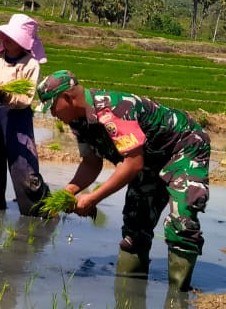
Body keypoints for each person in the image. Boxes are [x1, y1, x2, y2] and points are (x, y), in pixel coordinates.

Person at [36, 70, 210, 291]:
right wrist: (70, 190)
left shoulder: (113, 110)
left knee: (182, 220)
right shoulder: (79, 121)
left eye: (52, 106)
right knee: (135, 226)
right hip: (148, 157)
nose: (52, 113)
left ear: (68, 98)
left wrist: (92, 198)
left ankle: (178, 302)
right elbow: (91, 163)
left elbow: (132, 163)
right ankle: (129, 301)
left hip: (183, 148)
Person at [0, 13, 51, 215]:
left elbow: (26, 99)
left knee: (24, 171)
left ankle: (39, 212)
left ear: (23, 43)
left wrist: (5, 96)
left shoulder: (31, 65)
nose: (5, 39)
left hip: (17, 117)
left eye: (12, 37)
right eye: (6, 35)